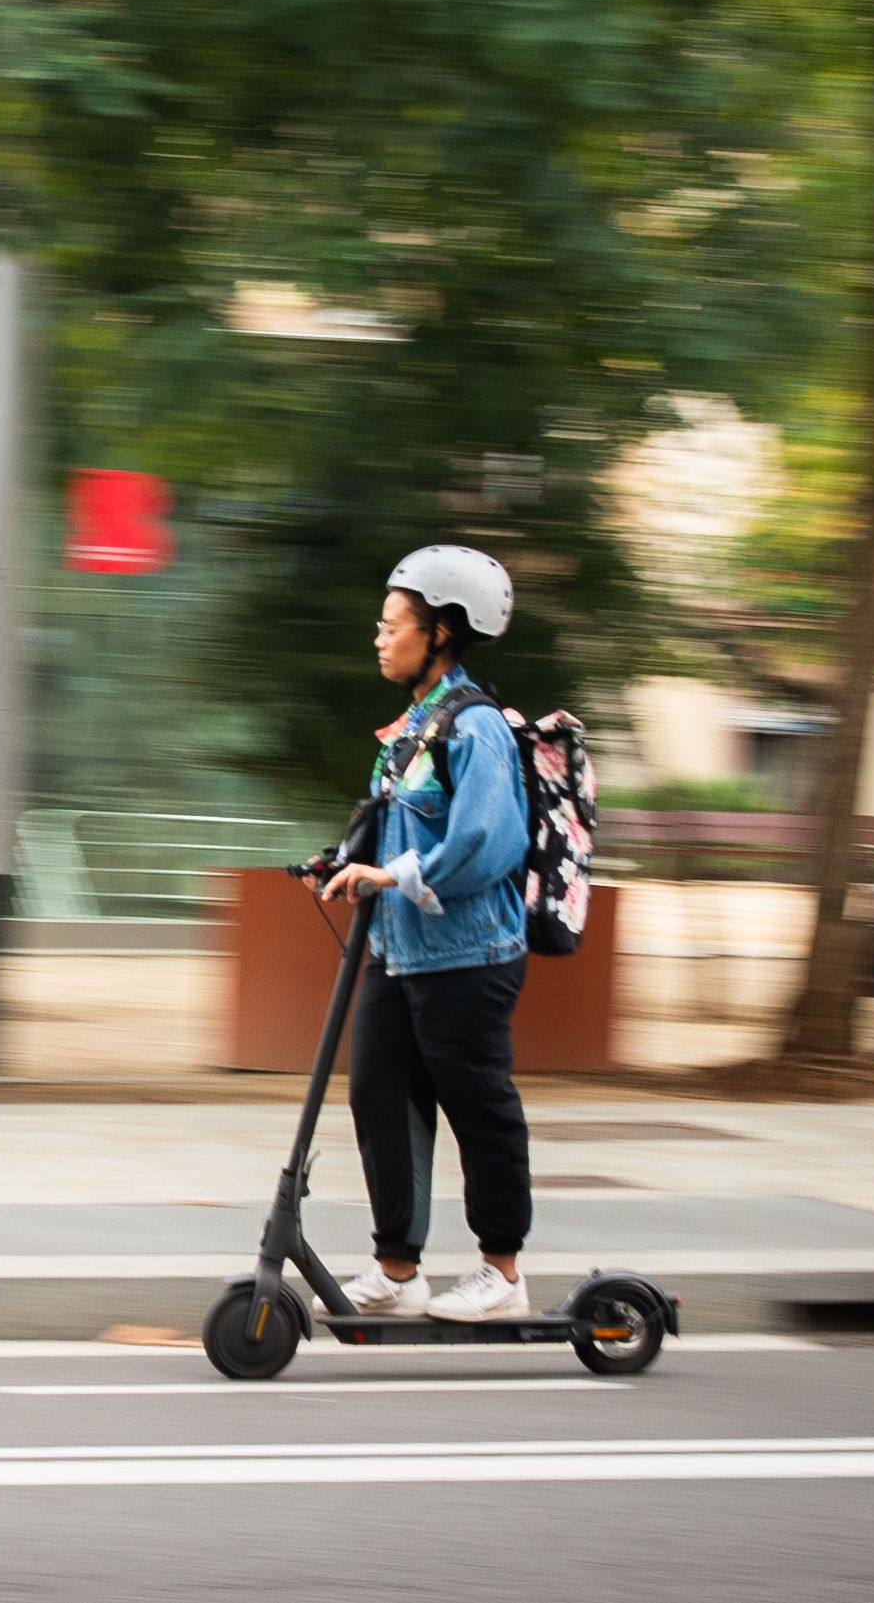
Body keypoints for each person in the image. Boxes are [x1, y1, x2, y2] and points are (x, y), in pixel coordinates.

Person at [308, 544, 537, 1322]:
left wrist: (392, 875)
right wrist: (344, 861)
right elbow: (391, 822)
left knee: (477, 1107)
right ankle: (398, 1270)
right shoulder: (413, 725)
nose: (380, 636)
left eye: (391, 623)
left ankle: (500, 1271)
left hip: (469, 956)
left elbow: (485, 841)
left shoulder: (475, 729)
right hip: (399, 952)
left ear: (440, 631)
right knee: (379, 1096)